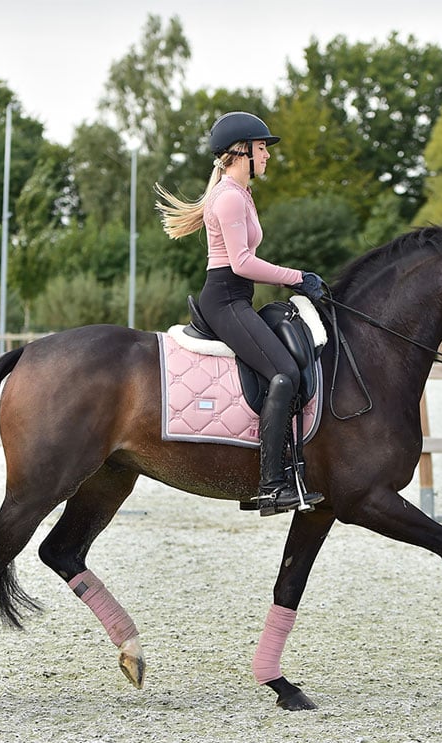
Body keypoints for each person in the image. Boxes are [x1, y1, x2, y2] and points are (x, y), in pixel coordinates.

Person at [155, 111, 325, 516]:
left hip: (237, 299)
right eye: (262, 148)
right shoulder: (230, 197)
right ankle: (270, 486)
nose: (267, 156)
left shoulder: (240, 193)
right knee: (283, 374)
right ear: (242, 151)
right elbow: (243, 263)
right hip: (225, 299)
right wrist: (297, 277)